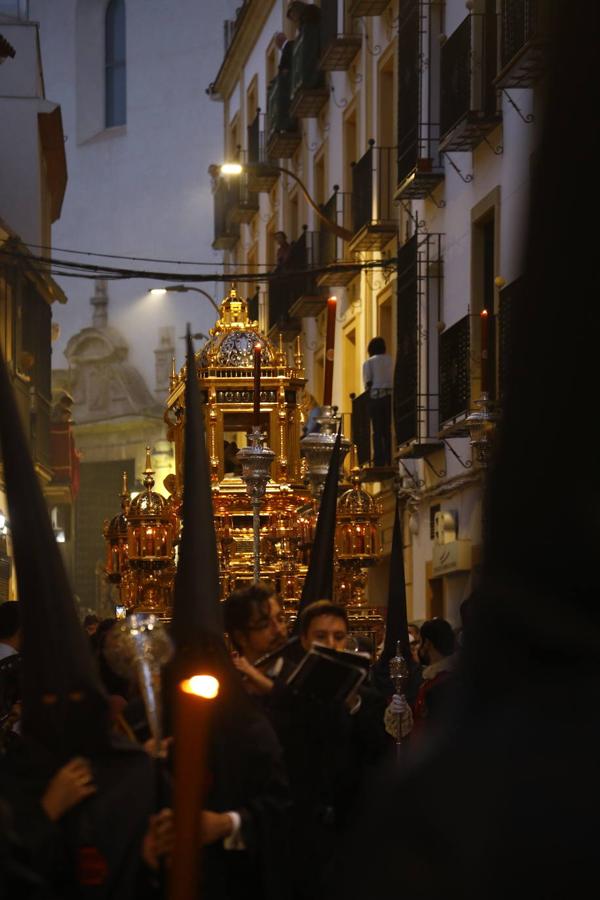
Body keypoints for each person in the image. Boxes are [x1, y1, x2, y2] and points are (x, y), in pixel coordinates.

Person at [268, 601, 391, 899]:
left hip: (350, 826)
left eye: (338, 637)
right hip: (299, 828)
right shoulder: (283, 693)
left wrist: (354, 706)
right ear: (306, 641)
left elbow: (380, 751)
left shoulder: (369, 698)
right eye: (321, 637)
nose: (331, 644)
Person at [362, 336, 393, 467]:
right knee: (387, 430)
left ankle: (378, 459)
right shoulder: (390, 360)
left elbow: (368, 382)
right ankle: (389, 457)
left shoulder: (369, 362)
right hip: (389, 397)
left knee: (377, 431)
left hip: (376, 398)